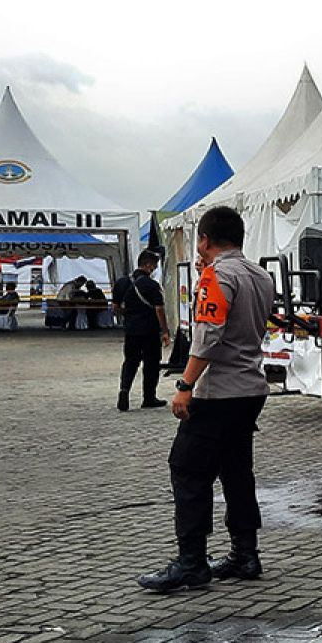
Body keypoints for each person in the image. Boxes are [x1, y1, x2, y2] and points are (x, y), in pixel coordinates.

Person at [137, 206, 274, 593]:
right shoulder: (260, 275)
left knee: (187, 469)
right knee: (236, 471)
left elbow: (209, 335)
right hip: (251, 387)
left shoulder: (217, 276)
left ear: (205, 240)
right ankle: (245, 553)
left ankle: (191, 561)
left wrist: (185, 385)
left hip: (218, 390)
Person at [112, 251, 171, 411]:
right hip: (150, 330)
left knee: (130, 361)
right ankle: (149, 397)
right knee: (151, 364)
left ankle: (124, 390)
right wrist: (165, 331)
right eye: (154, 266)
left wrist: (129, 316)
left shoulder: (121, 283)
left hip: (131, 330)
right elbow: (159, 309)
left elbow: (115, 307)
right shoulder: (152, 286)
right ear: (148, 265)